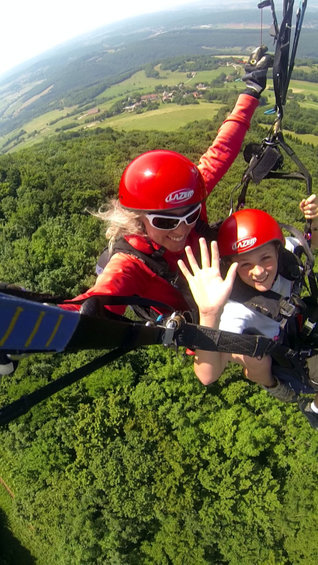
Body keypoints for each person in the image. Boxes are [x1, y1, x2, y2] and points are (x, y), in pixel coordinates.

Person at [61, 47, 272, 318]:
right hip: (203, 325)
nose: (182, 228)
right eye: (165, 222)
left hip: (224, 286)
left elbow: (223, 149)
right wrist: (31, 325)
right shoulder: (132, 262)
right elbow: (96, 301)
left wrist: (251, 92)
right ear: (139, 219)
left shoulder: (187, 194)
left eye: (191, 215)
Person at [178, 197, 318, 430]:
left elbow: (311, 242)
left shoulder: (287, 254)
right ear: (231, 265)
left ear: (277, 249)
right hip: (280, 358)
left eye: (265, 258)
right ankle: (283, 392)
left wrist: (313, 221)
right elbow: (207, 376)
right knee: (252, 358)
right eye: (245, 265)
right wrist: (209, 313)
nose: (259, 271)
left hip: (299, 326)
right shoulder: (236, 311)